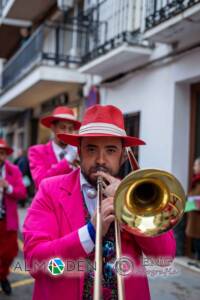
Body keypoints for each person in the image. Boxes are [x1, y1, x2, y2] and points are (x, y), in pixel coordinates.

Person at [23, 105, 176, 300]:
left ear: (122, 156)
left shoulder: (138, 195)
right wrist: (89, 233)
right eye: (91, 149)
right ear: (79, 152)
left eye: (111, 150)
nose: (101, 160)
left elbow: (164, 257)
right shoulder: (50, 190)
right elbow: (35, 263)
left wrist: (131, 211)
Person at [28, 106, 81, 189]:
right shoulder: (37, 151)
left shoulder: (78, 152)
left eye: (70, 129)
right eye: (62, 127)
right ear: (53, 128)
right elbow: (40, 182)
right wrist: (68, 160)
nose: (67, 132)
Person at [0, 139, 26, 295]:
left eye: (2, 153)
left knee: (9, 253)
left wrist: (8, 187)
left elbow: (22, 192)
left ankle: (2, 276)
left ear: (6, 155)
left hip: (7, 221)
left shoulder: (14, 170)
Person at [185, 157, 200, 266]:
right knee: (196, 238)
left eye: (195, 165)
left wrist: (189, 199)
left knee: (198, 238)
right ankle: (197, 258)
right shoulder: (196, 180)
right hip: (194, 214)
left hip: (198, 215)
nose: (193, 167)